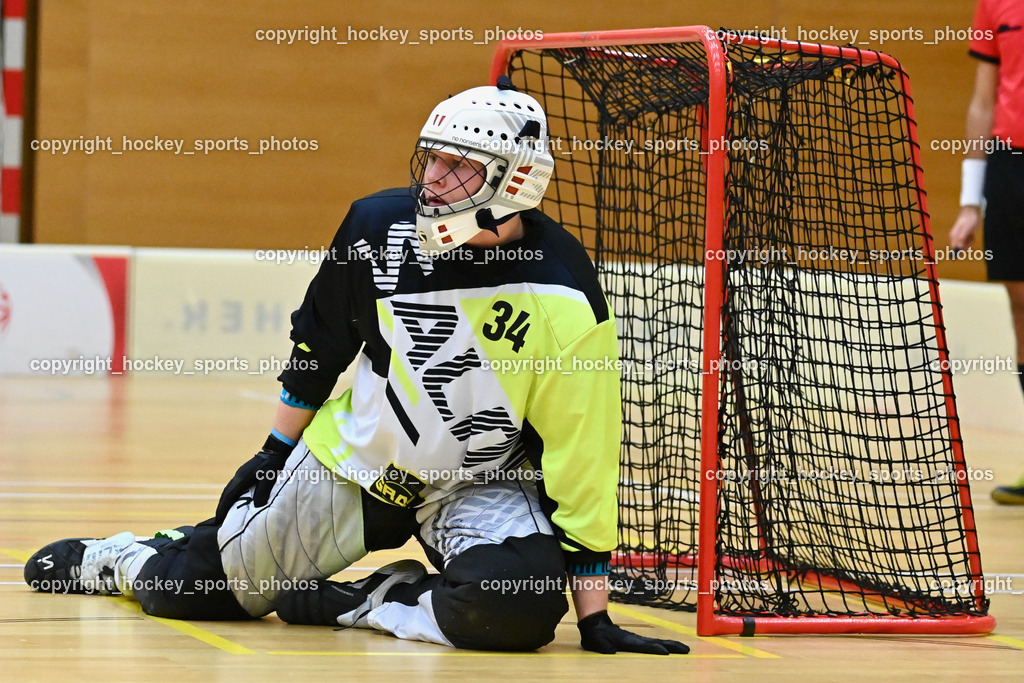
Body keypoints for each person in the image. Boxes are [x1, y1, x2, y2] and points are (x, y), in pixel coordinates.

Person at [24, 77, 689, 655]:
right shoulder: (376, 226)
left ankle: (361, 600)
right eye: (429, 160)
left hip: (480, 483)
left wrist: (593, 613)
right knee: (190, 592)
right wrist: (272, 452)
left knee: (517, 604)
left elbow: (584, 449)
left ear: (514, 181)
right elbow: (319, 344)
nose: (428, 180)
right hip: (359, 463)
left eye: (455, 166)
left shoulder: (565, 294)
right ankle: (122, 557)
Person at [949, 0, 1024, 504]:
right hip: (1010, 167)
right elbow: (981, 101)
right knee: (1020, 308)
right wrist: (969, 202)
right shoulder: (994, 4)